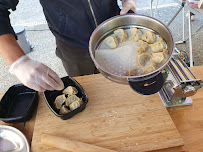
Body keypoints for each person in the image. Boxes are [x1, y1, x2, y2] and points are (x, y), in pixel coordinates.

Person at [0, 0, 137, 92]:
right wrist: (18, 62)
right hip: (73, 46)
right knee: (89, 91)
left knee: (124, 88)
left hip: (117, 34)